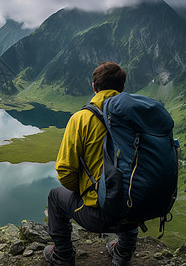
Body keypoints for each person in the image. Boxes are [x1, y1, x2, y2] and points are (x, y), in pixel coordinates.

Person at [44, 62, 138, 266]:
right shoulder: (137, 117)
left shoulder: (81, 119)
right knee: (128, 185)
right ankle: (123, 252)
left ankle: (62, 254)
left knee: (55, 196)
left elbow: (65, 170)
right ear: (122, 88)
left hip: (100, 215)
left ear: (94, 87)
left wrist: (87, 191)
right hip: (137, 210)